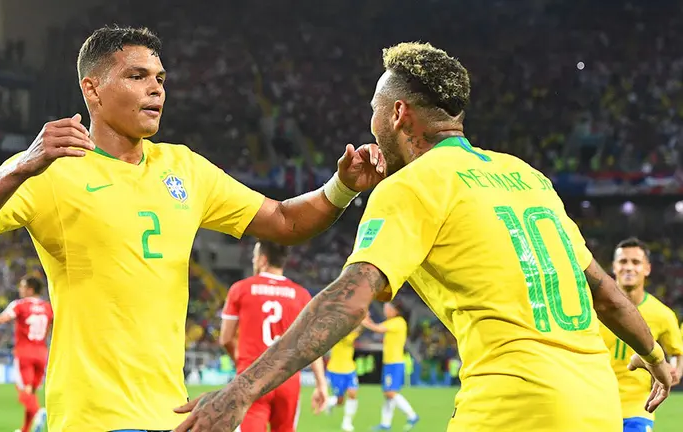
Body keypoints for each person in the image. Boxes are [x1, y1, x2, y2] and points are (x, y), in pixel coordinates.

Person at [174, 41, 674, 432]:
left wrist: (241, 391)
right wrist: (655, 359)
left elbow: (349, 302)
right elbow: (606, 295)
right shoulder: (527, 176)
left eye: (374, 107)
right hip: (597, 405)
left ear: (397, 114)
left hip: (516, 405)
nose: (368, 121)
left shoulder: (413, 185)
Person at [0, 25, 384, 432]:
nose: (156, 90)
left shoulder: (184, 166)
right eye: (137, 76)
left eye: (160, 79)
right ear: (93, 89)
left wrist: (342, 186)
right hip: (95, 418)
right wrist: (20, 168)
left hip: (174, 416)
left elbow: (284, 221)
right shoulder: (52, 167)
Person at [219, 240, 327, 431]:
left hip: (252, 378)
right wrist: (321, 384)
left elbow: (226, 338)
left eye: (255, 256)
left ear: (263, 259)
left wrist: (241, 361)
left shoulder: (240, 289)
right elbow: (312, 345)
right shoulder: (301, 294)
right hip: (287, 380)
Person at [599, 238, 683, 432]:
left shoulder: (663, 315)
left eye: (636, 262)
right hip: (598, 402)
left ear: (647, 268)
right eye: (623, 262)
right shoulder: (596, 309)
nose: (629, 267)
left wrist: (674, 374)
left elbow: (677, 353)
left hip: (639, 406)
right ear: (614, 267)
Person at [0, 275, 52, 432]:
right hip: (42, 353)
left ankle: (38, 413)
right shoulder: (48, 307)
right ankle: (25, 429)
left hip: (25, 353)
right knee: (31, 392)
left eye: (22, 286)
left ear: (30, 289)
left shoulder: (20, 305)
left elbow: (3, 319)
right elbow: (50, 327)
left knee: (23, 391)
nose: (19, 289)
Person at [362, 303, 419, 430]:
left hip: (395, 363)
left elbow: (376, 328)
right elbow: (375, 326)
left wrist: (361, 320)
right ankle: (385, 423)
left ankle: (412, 415)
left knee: (390, 392)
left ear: (396, 310)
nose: (385, 310)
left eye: (388, 308)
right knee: (388, 394)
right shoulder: (392, 322)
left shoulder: (398, 322)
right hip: (390, 363)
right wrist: (366, 318)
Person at [324, 327, 361, 432]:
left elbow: (359, 330)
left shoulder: (352, 332)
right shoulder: (338, 332)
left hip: (350, 369)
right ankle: (330, 402)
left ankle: (347, 422)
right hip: (335, 370)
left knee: (352, 394)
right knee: (340, 401)